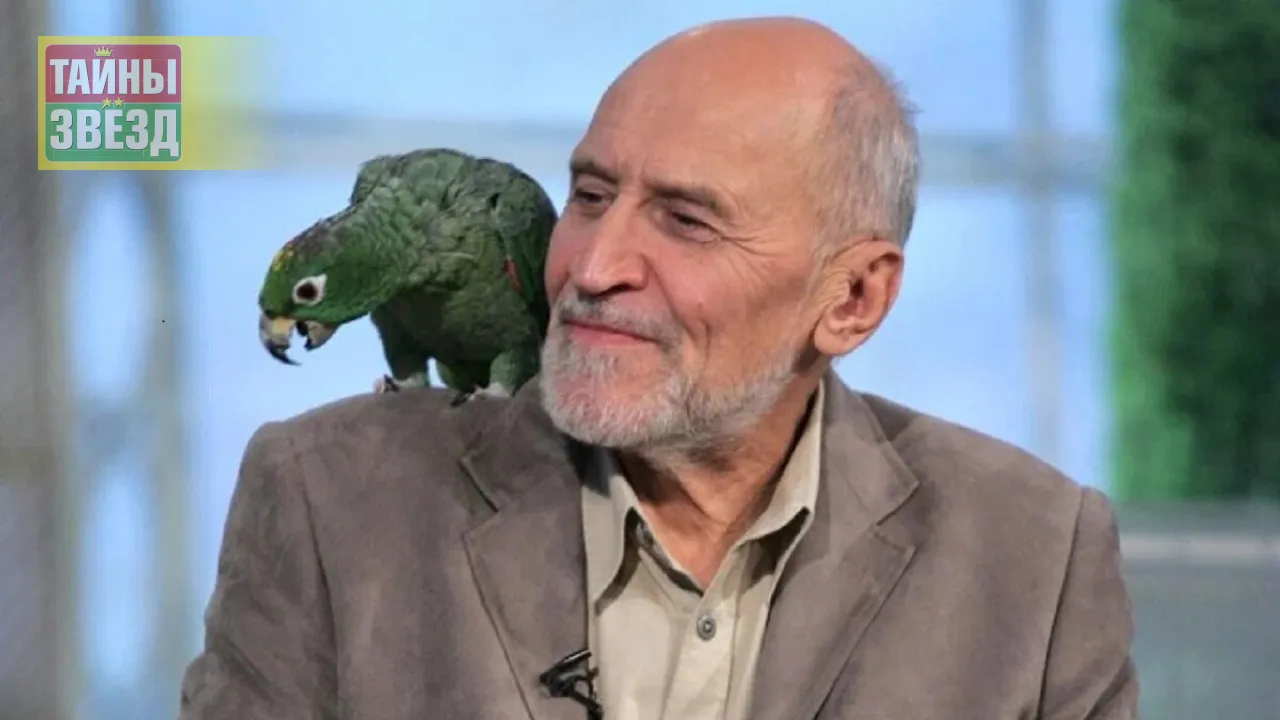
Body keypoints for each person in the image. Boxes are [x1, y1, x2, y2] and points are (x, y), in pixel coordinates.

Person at [178, 15, 1138, 720]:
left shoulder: (1034, 558)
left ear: (853, 299)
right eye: (591, 196)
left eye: (686, 221)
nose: (592, 267)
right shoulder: (329, 502)